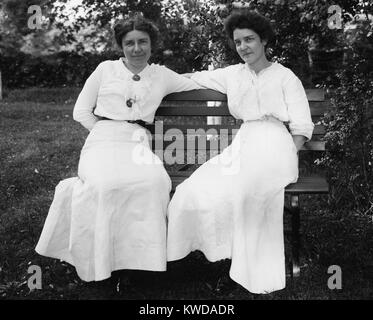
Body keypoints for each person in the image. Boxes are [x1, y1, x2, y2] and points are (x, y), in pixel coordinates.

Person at [35, 15, 200, 283]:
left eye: (142, 42)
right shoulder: (105, 70)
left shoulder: (161, 75)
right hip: (103, 139)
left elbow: (196, 82)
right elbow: (81, 111)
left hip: (136, 140)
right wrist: (103, 131)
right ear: (121, 45)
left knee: (153, 181)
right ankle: (103, 259)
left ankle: (143, 261)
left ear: (151, 44)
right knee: (104, 184)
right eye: (130, 43)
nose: (137, 49)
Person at [166, 10, 314, 294]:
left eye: (250, 39)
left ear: (264, 40)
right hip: (244, 144)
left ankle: (244, 270)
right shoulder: (232, 74)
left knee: (247, 190)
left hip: (276, 146)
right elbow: (194, 78)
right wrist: (153, 77)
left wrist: (288, 154)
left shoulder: (285, 77)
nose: (244, 47)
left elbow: (302, 126)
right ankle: (218, 256)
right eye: (238, 42)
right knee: (196, 187)